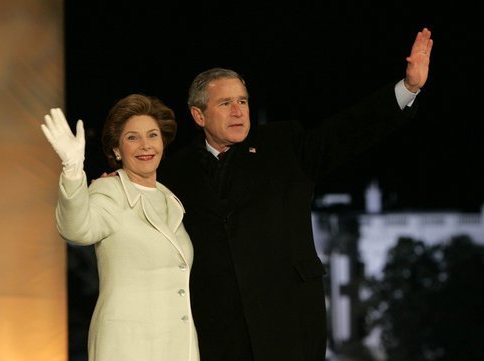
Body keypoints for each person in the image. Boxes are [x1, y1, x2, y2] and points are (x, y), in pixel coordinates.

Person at [155, 28, 433, 361]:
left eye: (242, 101)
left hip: (288, 320)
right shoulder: (173, 171)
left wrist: (408, 88)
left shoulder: (284, 145)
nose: (238, 111)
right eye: (225, 103)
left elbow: (349, 131)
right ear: (199, 115)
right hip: (217, 329)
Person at [41, 94, 200, 361]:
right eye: (132, 138)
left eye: (152, 135)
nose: (145, 145)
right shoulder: (109, 191)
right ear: (117, 149)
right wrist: (72, 170)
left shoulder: (170, 199)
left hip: (177, 345)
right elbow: (76, 229)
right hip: (128, 346)